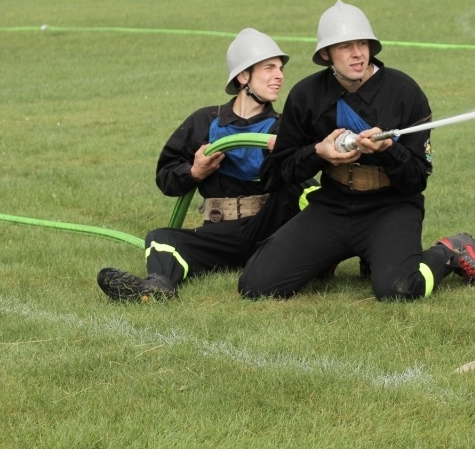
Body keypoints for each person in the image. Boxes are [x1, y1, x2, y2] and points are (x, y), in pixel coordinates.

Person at [238, 0, 475, 301]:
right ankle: (334, 255)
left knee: (399, 289)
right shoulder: (306, 95)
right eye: (345, 46)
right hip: (333, 205)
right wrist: (319, 152)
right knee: (256, 286)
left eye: (362, 44)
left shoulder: (404, 92)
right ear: (326, 54)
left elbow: (417, 179)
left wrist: (388, 150)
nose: (358, 54)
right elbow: (279, 171)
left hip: (391, 206)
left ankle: (451, 250)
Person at [97, 28, 314, 301]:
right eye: (269, 68)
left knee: (303, 187)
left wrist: (281, 152)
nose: (279, 75)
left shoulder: (283, 127)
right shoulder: (204, 121)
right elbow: (165, 177)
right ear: (243, 76)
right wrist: (194, 172)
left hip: (268, 228)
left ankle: (326, 255)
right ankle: (157, 287)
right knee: (161, 238)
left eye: (280, 68)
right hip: (219, 231)